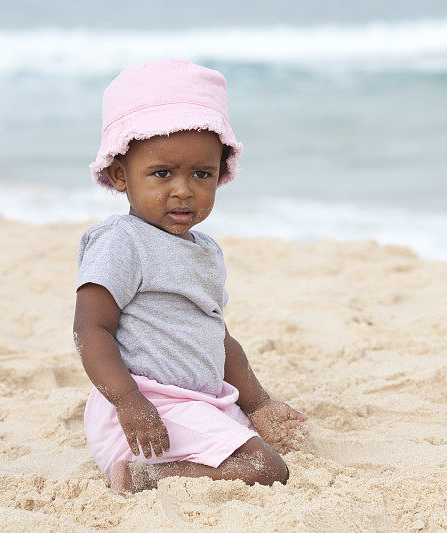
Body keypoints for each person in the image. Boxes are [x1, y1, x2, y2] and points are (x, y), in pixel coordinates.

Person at [72, 58, 309, 494]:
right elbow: (91, 328)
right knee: (265, 466)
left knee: (280, 440)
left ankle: (204, 441)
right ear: (121, 175)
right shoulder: (121, 240)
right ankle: (145, 478)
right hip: (145, 408)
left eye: (202, 174)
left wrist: (258, 402)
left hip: (195, 402)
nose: (183, 189)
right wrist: (129, 401)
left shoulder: (204, 250)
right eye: (162, 173)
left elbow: (216, 336)